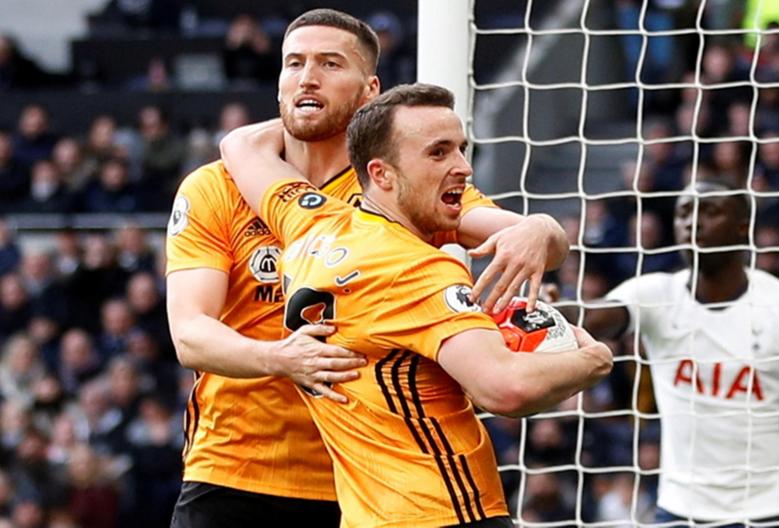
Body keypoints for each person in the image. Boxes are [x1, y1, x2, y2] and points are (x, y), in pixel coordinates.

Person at [165, 8, 569, 527]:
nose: (307, 77)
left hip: (365, 483)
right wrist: (279, 357)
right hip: (234, 469)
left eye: (330, 64)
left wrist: (541, 229)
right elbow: (190, 335)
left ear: (370, 90)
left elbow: (532, 239)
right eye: (294, 63)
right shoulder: (214, 187)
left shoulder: (396, 186)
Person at [224, 81, 613, 527]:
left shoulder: (310, 222)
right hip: (446, 512)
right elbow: (504, 387)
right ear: (382, 174)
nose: (463, 168)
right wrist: (594, 361)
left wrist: (539, 226)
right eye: (438, 153)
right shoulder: (417, 269)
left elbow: (241, 146)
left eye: (461, 149)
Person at [584, 179, 779, 526]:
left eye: (710, 211)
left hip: (768, 510)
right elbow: (593, 317)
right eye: (684, 212)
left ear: (743, 227)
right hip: (679, 508)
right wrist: (549, 309)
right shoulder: (656, 295)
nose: (692, 222)